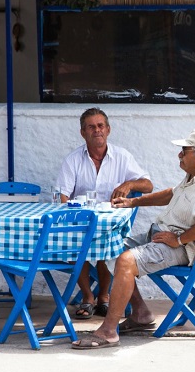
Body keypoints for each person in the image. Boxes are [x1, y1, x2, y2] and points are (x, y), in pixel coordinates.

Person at [71, 129, 195, 349]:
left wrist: (179, 240)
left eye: (184, 151)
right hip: (164, 235)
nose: (179, 155)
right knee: (111, 248)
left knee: (126, 261)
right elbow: (171, 194)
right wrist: (133, 202)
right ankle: (141, 314)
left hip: (182, 248)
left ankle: (108, 332)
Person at [55, 107, 153, 318]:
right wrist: (71, 213)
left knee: (109, 241)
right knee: (72, 241)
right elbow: (62, 195)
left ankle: (104, 297)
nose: (97, 130)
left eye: (100, 126)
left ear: (108, 129)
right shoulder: (73, 160)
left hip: (110, 223)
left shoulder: (122, 157)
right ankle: (88, 296)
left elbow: (148, 185)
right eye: (91, 127)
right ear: (83, 132)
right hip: (81, 223)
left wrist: (129, 183)